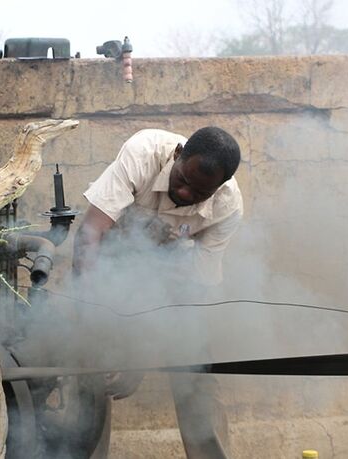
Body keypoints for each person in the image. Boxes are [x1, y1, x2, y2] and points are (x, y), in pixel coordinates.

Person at [72, 126, 243, 459]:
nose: (185, 192)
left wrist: (143, 355)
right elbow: (90, 235)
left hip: (172, 277)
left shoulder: (228, 207)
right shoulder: (143, 153)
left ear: (219, 188)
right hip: (107, 267)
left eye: (200, 192)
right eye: (182, 179)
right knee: (91, 364)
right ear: (177, 155)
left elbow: (196, 290)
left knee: (196, 369)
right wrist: (98, 327)